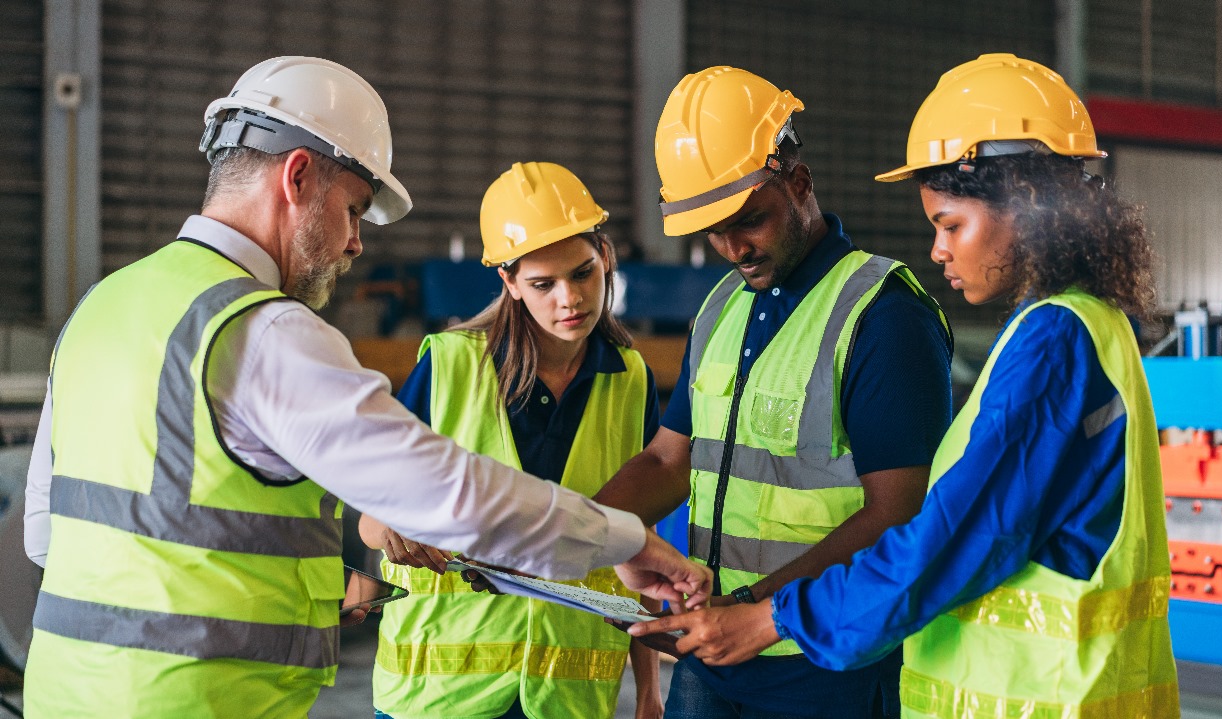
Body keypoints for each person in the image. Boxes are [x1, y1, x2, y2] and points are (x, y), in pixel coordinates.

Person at [21, 56, 709, 719]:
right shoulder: (268, 333)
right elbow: (455, 498)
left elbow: (50, 536)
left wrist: (310, 586)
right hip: (200, 700)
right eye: (353, 210)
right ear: (296, 177)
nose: (355, 243)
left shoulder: (99, 310)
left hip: (62, 694)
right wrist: (626, 540)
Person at [631, 53, 1181, 717]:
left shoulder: (1051, 342)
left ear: (1029, 204)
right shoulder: (1087, 325)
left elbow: (941, 541)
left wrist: (771, 615)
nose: (939, 250)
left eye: (951, 224)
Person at [592, 66, 954, 719]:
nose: (734, 247)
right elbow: (669, 461)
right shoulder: (723, 304)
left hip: (826, 666)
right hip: (714, 656)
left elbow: (897, 513)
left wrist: (762, 606)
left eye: (749, 219)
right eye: (715, 230)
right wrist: (557, 535)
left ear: (800, 182)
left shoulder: (884, 316)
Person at [359, 162, 664, 719]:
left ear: (606, 257)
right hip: (437, 696)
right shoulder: (449, 366)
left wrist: (649, 689)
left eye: (584, 273)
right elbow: (369, 516)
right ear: (509, 283)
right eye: (543, 285)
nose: (569, 300)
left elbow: (640, 540)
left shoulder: (631, 379)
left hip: (566, 697)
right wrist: (391, 528)